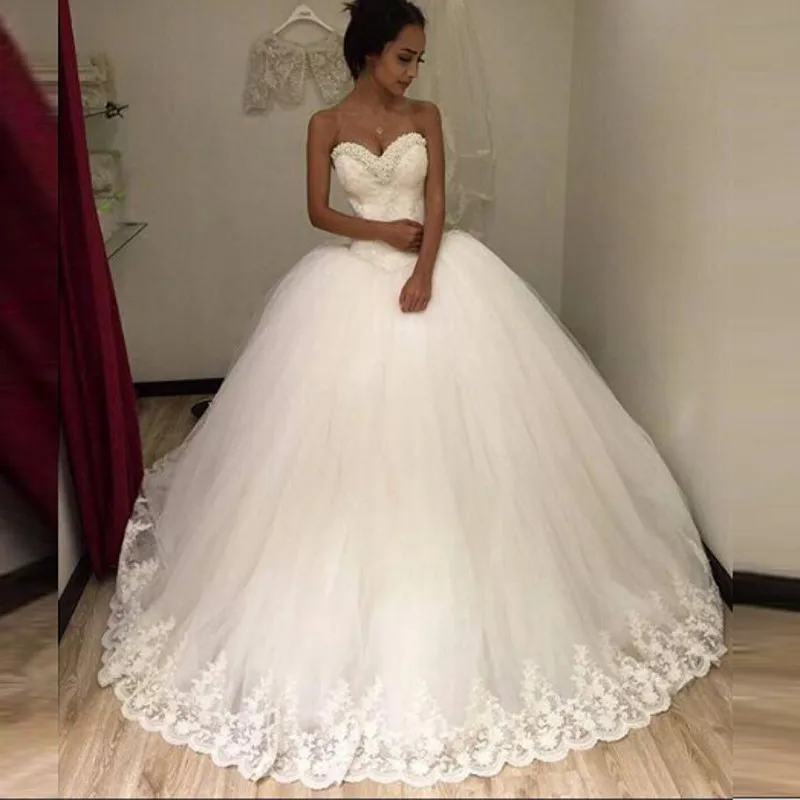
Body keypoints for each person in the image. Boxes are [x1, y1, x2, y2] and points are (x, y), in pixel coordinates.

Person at [99, 0, 726, 788]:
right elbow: (318, 210)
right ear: (369, 53)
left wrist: (425, 268)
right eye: (404, 56)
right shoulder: (325, 123)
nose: (413, 71)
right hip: (351, 278)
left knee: (468, 435)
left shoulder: (427, 116)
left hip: (438, 272)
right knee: (343, 442)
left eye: (419, 58)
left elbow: (436, 203)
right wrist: (379, 236)